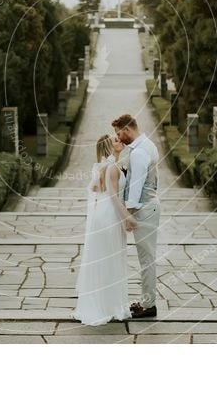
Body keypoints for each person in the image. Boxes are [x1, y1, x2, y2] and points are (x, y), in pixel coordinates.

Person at [71, 134, 137, 325]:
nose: (120, 141)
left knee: (103, 260)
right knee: (112, 259)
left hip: (100, 216)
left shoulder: (101, 167)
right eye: (116, 140)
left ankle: (102, 304)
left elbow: (92, 189)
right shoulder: (113, 168)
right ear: (109, 147)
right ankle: (110, 306)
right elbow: (115, 198)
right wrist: (128, 218)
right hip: (110, 218)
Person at [112, 113, 161, 319]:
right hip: (149, 206)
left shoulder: (139, 153)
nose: (118, 138)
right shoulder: (146, 145)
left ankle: (149, 305)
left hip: (144, 208)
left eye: (119, 133)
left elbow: (135, 186)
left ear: (128, 130)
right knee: (146, 258)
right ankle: (145, 300)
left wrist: (127, 215)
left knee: (147, 259)